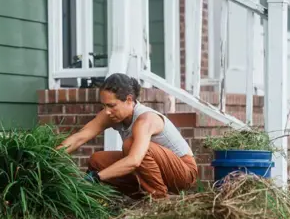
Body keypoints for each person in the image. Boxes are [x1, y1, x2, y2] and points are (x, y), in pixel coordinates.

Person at [57, 73, 198, 199]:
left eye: (112, 105)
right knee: (97, 160)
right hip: (154, 170)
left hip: (183, 173)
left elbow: (134, 161)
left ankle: (159, 198)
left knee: (130, 146)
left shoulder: (145, 120)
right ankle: (138, 196)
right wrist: (50, 156)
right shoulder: (111, 115)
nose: (106, 111)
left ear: (129, 100)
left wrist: (97, 177)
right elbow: (80, 137)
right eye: (104, 106)